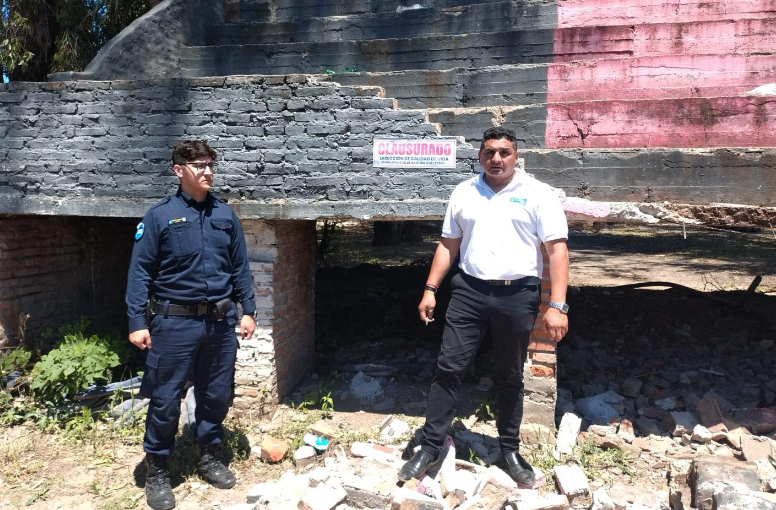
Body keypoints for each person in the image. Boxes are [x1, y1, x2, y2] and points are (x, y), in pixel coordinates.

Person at [398, 127, 569, 486]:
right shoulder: (464, 192)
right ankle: (429, 447)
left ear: (516, 156)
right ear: (479, 156)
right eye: (489, 152)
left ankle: (509, 449)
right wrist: (430, 288)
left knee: (510, 374)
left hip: (518, 294)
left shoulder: (538, 194)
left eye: (504, 152)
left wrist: (558, 305)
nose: (497, 159)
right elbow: (448, 245)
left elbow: (557, 251)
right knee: (448, 367)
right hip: (468, 293)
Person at [126, 140, 257, 510]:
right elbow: (140, 274)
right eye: (199, 165)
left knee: (216, 395)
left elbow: (240, 269)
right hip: (173, 326)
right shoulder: (159, 216)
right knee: (166, 400)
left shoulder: (225, 215)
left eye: (211, 165)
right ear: (178, 170)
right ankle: (158, 470)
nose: (208, 172)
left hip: (219, 325)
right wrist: (137, 321)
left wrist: (249, 310)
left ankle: (208, 455)